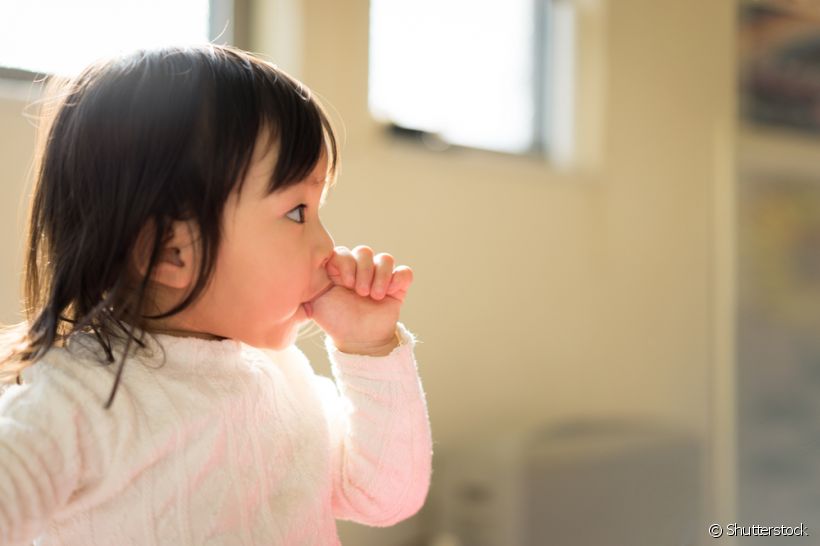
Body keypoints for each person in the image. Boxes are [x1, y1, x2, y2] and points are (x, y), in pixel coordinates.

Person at [0, 44, 432, 545]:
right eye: (297, 212)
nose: (328, 246)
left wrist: (370, 347)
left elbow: (387, 496)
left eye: (318, 210)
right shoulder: (76, 399)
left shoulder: (280, 376)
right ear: (170, 250)